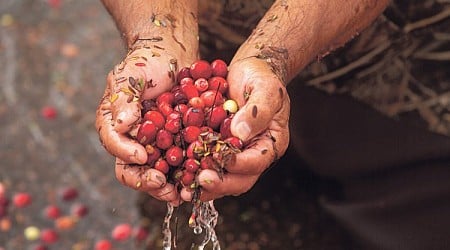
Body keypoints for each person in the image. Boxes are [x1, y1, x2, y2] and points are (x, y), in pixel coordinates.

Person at [96, 1, 450, 249]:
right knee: (224, 179)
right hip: (215, 32)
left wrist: (274, 54)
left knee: (411, 209)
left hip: (398, 59)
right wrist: (159, 36)